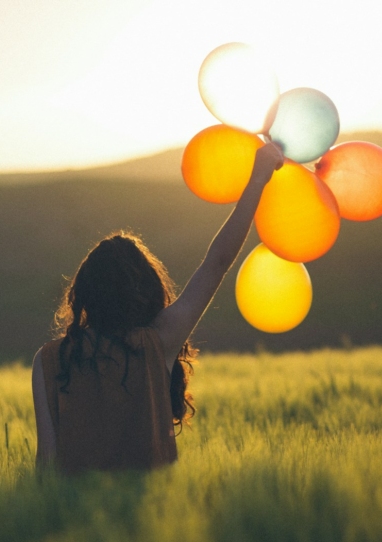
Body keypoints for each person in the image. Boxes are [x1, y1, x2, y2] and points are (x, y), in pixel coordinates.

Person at [32, 142, 284, 475]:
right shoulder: (157, 342)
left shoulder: (49, 360)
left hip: (75, 521)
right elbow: (217, 262)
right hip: (154, 519)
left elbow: (46, 460)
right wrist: (258, 178)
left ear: (85, 293)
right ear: (146, 290)